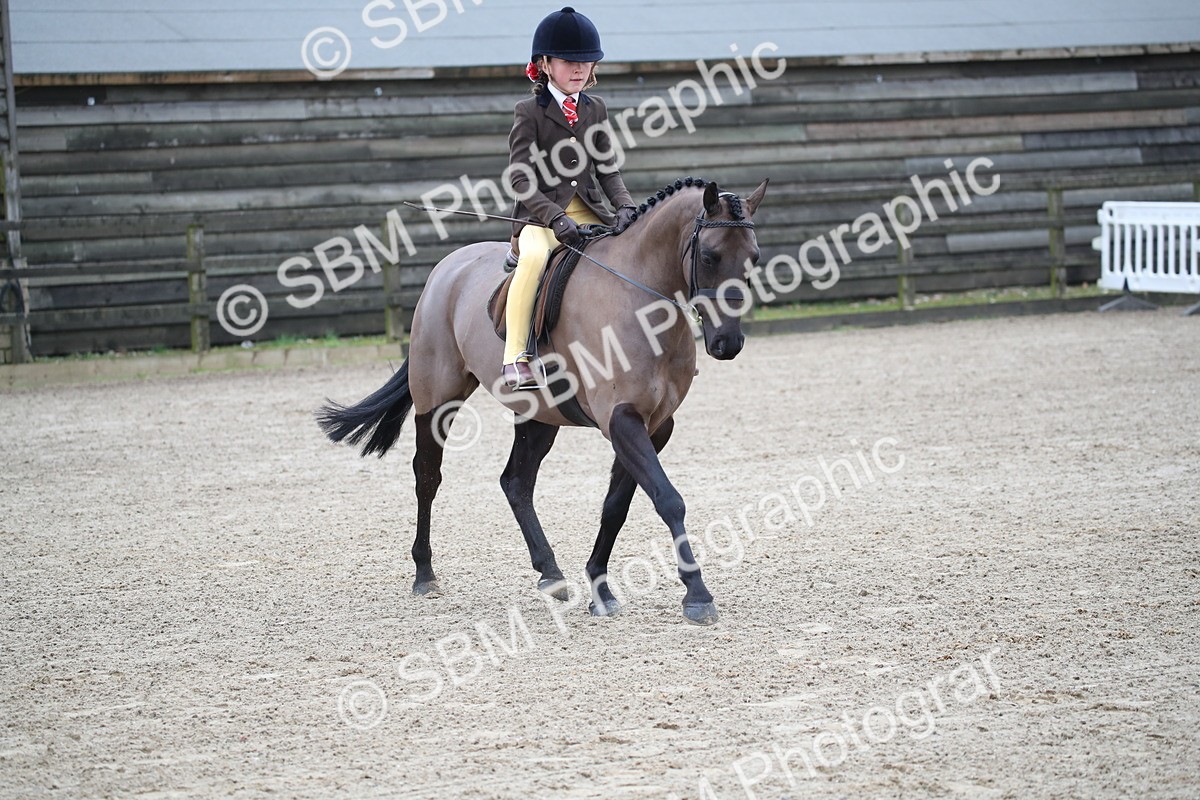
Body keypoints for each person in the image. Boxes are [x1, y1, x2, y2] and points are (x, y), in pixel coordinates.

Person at [502, 6, 638, 390]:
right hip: (541, 217)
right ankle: (515, 358)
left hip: (591, 212)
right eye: (568, 62)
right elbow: (520, 177)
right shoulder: (529, 111)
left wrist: (625, 206)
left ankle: (648, 349)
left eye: (587, 62)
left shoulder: (595, 108)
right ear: (544, 64)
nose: (579, 69)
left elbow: (607, 168)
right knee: (533, 261)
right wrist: (553, 218)